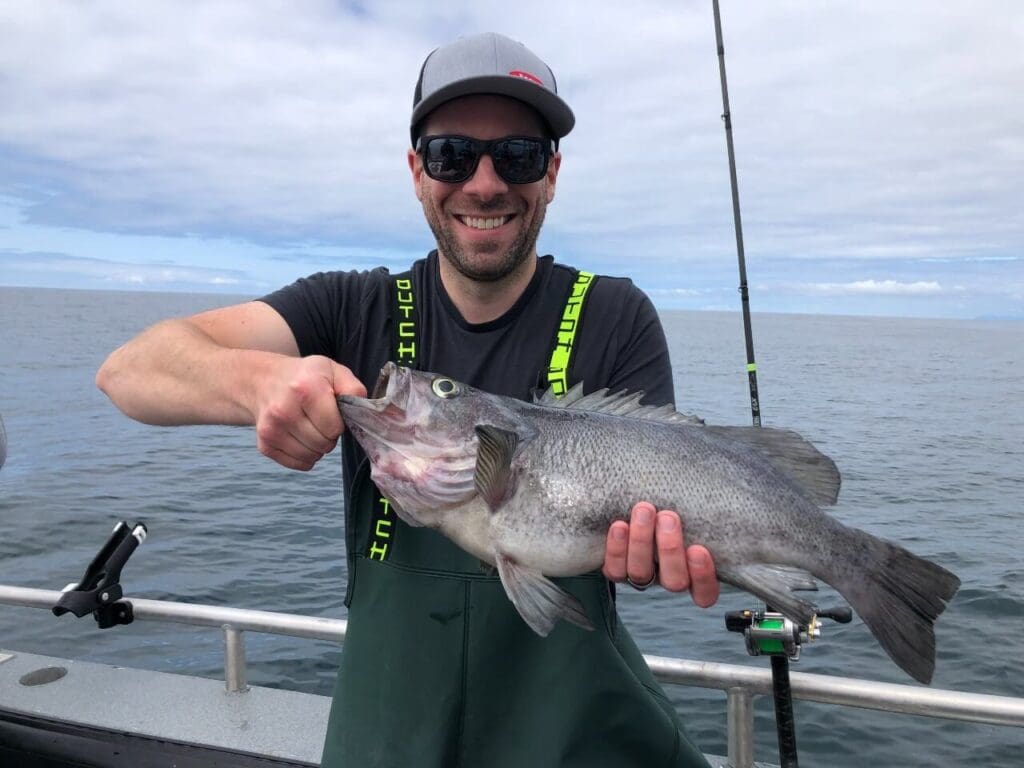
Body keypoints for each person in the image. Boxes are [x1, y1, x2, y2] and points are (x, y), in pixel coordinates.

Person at [97, 32, 719, 768]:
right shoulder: (349, 307)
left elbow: (663, 529)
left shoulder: (617, 316)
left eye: (516, 155)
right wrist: (258, 381)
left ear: (551, 174)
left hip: (574, 735)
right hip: (389, 733)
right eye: (452, 154)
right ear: (417, 171)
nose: (484, 184)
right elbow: (129, 371)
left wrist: (658, 557)